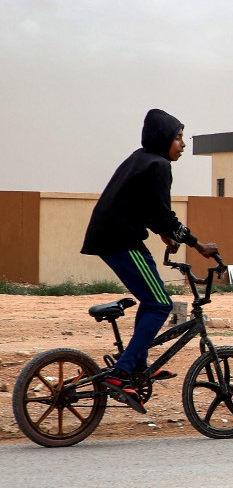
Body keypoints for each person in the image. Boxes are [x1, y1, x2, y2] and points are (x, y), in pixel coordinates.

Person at [82, 109, 218, 413]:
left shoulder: (141, 158)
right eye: (178, 137)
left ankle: (139, 363)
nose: (183, 144)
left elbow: (145, 208)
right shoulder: (159, 165)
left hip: (114, 237)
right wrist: (198, 245)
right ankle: (122, 372)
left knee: (151, 299)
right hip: (121, 240)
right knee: (159, 304)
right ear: (163, 139)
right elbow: (164, 216)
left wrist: (163, 233)